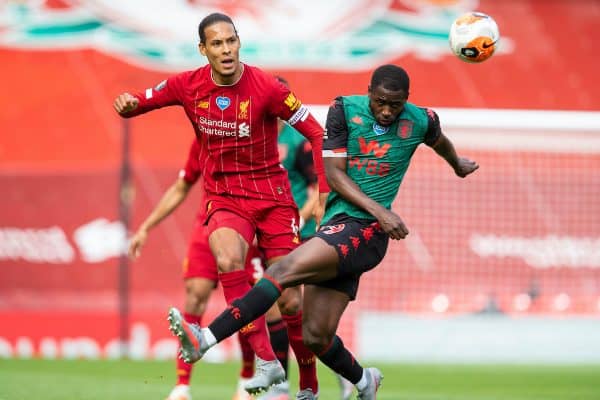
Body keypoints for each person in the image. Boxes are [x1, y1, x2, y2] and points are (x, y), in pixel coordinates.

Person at [166, 64, 479, 400]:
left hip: (366, 231)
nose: (387, 111)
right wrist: (382, 211)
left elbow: (438, 140)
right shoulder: (344, 109)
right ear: (369, 92)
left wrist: (456, 163)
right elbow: (334, 175)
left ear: (407, 100)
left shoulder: (422, 120)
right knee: (316, 334)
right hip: (339, 227)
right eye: (380, 102)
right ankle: (363, 381)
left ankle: (206, 339)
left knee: (280, 271)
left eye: (395, 104)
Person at [113, 12, 330, 400]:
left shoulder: (266, 87)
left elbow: (316, 132)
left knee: (291, 299)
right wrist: (127, 105)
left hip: (273, 199)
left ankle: (309, 385)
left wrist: (325, 193)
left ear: (239, 42)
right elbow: (143, 101)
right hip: (225, 197)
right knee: (229, 261)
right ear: (204, 49)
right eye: (217, 43)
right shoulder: (187, 84)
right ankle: (264, 363)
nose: (226, 49)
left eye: (231, 41)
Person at [127, 139, 260, 400]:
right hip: (208, 224)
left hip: (245, 229)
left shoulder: (257, 133)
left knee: (243, 303)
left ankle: (246, 379)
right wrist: (146, 226)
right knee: (195, 294)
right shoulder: (205, 137)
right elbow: (181, 186)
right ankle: (182, 386)